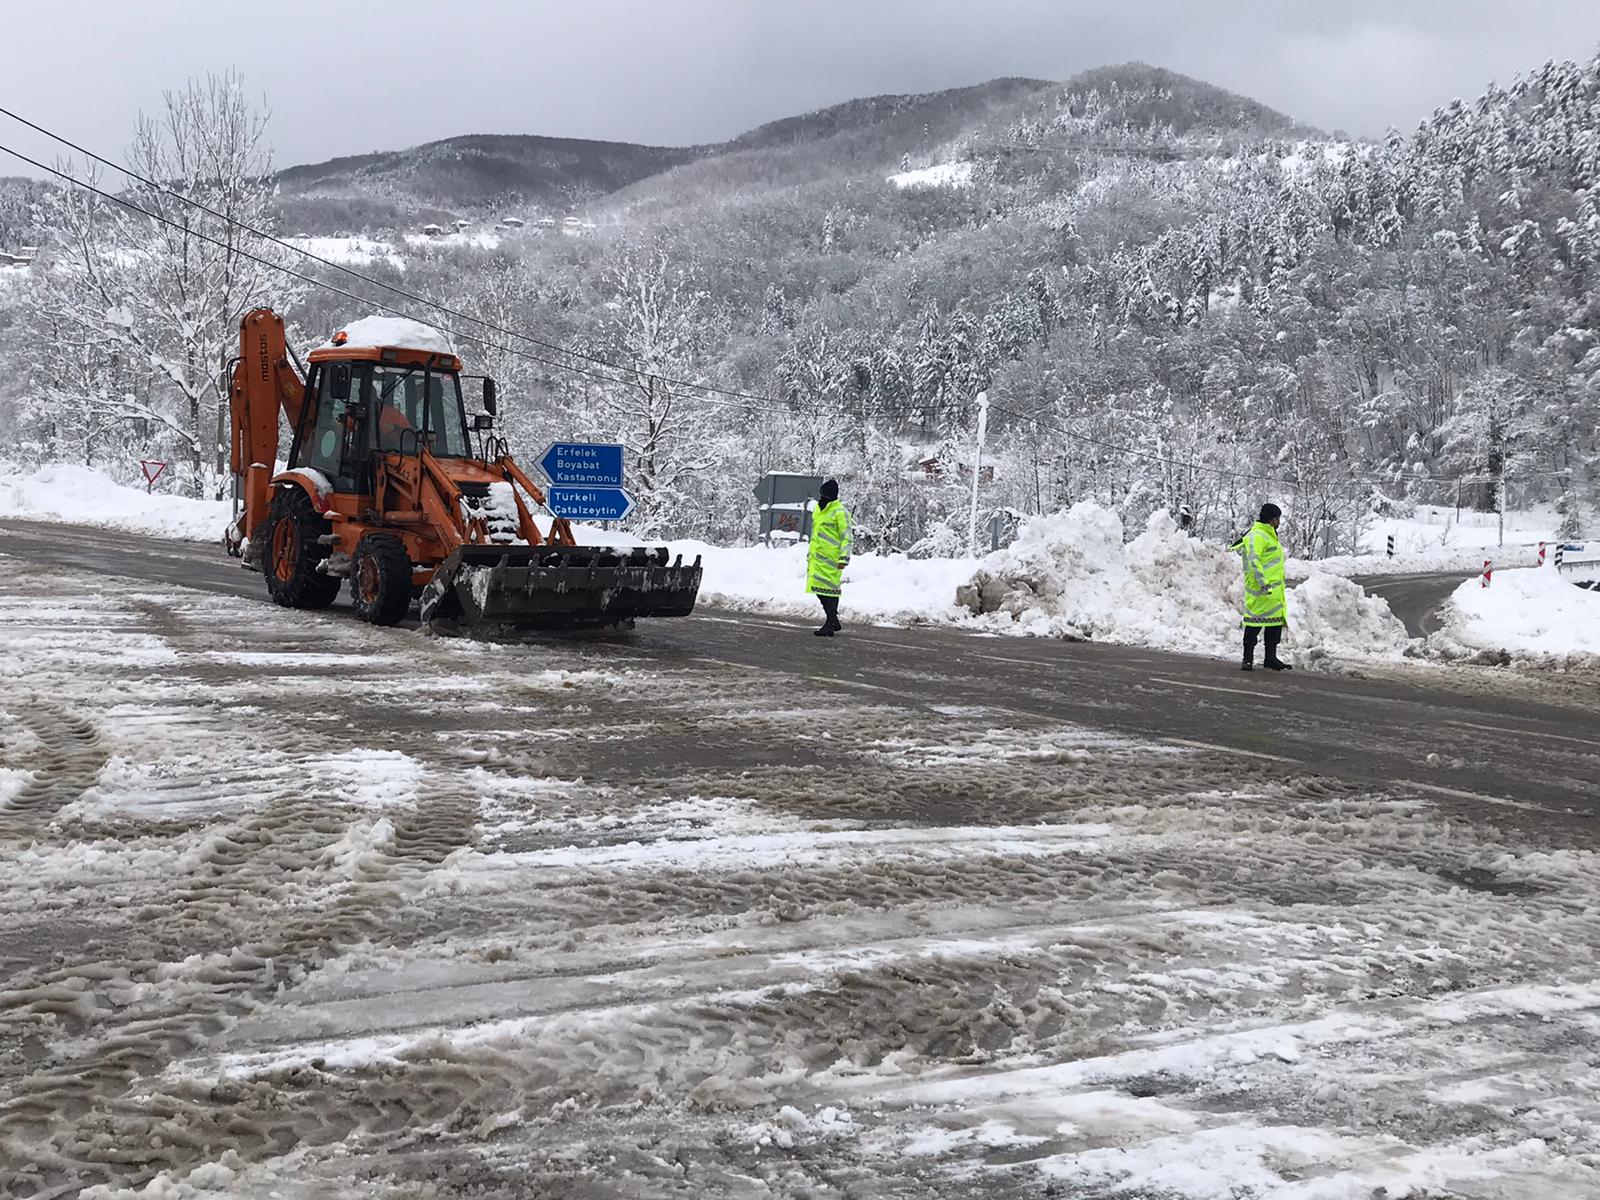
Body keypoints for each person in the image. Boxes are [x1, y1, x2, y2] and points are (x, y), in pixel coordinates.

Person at [1231, 502, 1292, 672]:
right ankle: (1247, 659)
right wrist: (1263, 582)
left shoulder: (1269, 535)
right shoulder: (1257, 535)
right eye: (1278, 519)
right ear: (1272, 519)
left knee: (1273, 625)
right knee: (1254, 624)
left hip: (1273, 591)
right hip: (1261, 589)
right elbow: (1253, 560)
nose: (1279, 522)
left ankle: (1270, 658)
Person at [806, 478, 853, 637]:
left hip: (832, 559)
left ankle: (830, 623)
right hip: (817, 558)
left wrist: (844, 558)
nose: (821, 498)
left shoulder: (840, 512)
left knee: (831, 591)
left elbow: (847, 537)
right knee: (819, 590)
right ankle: (833, 620)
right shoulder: (818, 511)